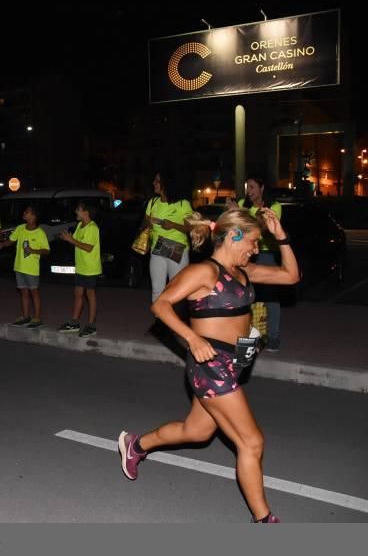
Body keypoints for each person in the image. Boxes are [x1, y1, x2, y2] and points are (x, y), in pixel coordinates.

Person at [118, 207, 299, 523]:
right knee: (252, 442)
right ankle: (265, 521)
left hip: (233, 363)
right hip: (209, 366)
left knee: (197, 431)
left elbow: (291, 275)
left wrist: (281, 236)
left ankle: (136, 444)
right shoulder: (204, 273)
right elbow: (160, 305)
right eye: (254, 242)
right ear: (234, 235)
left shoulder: (244, 272)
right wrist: (192, 338)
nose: (255, 250)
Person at [227, 178, 284, 352]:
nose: (249, 190)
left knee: (270, 298)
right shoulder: (244, 203)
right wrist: (232, 213)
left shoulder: (274, 206)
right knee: (245, 296)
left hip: (266, 254)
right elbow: (236, 229)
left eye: (252, 187)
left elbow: (263, 229)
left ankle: (273, 337)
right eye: (247, 187)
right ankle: (249, 337)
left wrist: (241, 214)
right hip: (245, 254)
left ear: (262, 187)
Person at [140, 171, 194, 303]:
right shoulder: (152, 202)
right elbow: (144, 223)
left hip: (177, 247)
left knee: (176, 289)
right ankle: (160, 321)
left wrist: (173, 225)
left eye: (157, 181)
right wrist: (148, 225)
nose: (154, 183)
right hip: (157, 247)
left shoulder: (182, 204)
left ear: (166, 183)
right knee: (157, 290)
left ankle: (174, 321)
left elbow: (191, 228)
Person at [0, 205, 50, 328]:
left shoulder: (39, 232)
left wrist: (33, 250)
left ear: (33, 216)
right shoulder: (20, 228)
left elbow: (46, 250)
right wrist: (2, 245)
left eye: (27, 212)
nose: (24, 213)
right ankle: (26, 316)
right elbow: (11, 240)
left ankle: (37, 318)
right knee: (24, 293)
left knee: (34, 293)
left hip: (31, 268)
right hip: (19, 266)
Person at [58, 200, 102, 338]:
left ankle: (91, 325)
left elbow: (88, 247)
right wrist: (67, 238)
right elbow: (76, 242)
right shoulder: (79, 225)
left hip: (90, 268)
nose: (75, 211)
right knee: (78, 294)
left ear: (86, 212)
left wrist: (71, 240)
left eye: (78, 209)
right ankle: (74, 322)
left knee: (90, 295)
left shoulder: (93, 228)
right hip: (81, 267)